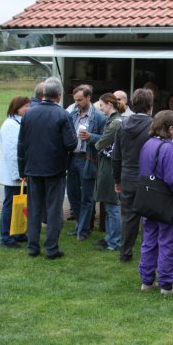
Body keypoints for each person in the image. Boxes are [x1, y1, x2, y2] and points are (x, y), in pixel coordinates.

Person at [18, 77, 77, 259]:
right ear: (58, 96)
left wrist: (22, 171)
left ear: (43, 94)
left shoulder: (29, 114)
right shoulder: (63, 115)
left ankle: (33, 247)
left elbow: (21, 144)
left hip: (33, 169)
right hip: (55, 169)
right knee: (53, 210)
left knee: (34, 209)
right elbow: (71, 144)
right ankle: (51, 249)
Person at [138, 110, 173, 295]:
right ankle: (167, 284)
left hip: (149, 199)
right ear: (170, 128)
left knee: (150, 240)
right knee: (168, 242)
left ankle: (146, 280)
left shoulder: (148, 144)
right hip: (168, 202)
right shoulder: (168, 148)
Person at [112, 88, 154, 263]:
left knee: (128, 217)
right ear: (149, 106)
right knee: (149, 218)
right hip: (148, 178)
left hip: (127, 176)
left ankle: (125, 253)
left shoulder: (122, 125)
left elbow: (116, 156)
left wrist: (117, 179)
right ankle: (147, 253)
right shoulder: (154, 125)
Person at [67, 84, 106, 241]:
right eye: (75, 100)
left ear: (89, 98)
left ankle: (83, 230)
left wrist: (91, 137)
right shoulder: (72, 114)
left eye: (80, 100)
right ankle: (80, 225)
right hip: (72, 158)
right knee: (72, 194)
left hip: (88, 159)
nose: (77, 103)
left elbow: (105, 140)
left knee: (87, 197)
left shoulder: (99, 117)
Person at [93, 93, 126, 251]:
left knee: (112, 205)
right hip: (108, 164)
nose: (100, 108)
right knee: (108, 203)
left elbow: (100, 144)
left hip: (110, 166)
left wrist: (96, 142)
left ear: (109, 104)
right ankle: (109, 238)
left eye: (101, 105)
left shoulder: (115, 123)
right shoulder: (115, 120)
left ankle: (115, 242)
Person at [0, 96, 31, 248]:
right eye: (26, 106)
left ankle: (18, 233)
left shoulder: (18, 122)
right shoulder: (11, 125)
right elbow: (12, 152)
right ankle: (6, 237)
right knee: (10, 204)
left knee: (19, 204)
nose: (28, 109)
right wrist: (18, 174)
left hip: (20, 174)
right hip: (14, 175)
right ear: (17, 108)